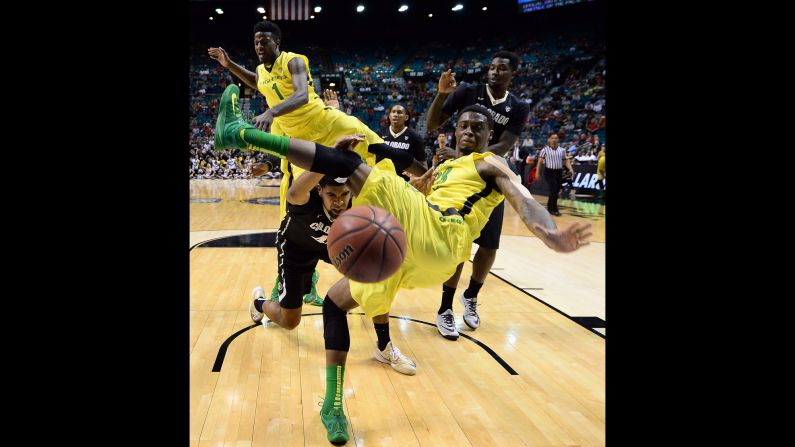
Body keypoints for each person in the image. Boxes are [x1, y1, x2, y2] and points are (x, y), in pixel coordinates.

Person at [213, 84, 591, 443]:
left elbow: (522, 197)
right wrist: (418, 189)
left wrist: (548, 234)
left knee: (354, 162)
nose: (470, 132)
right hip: (411, 255)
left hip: (443, 235)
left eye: (479, 127)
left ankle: (242, 133)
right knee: (334, 303)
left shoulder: (491, 161)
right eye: (464, 126)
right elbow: (420, 197)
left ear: (491, 133)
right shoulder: (444, 169)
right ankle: (333, 407)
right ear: (454, 131)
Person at [209, 21, 425, 305]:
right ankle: (298, 284)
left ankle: (429, 176)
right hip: (298, 138)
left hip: (325, 122)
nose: (259, 46)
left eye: (264, 41)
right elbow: (257, 81)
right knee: (298, 212)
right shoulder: (262, 71)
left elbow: (299, 95)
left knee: (376, 147)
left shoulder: (294, 61)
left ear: (277, 42)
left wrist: (272, 112)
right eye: (256, 42)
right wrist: (230, 64)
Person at [425, 51, 532, 339]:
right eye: (493, 67)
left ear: (512, 74)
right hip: (460, 175)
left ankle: (470, 296)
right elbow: (432, 124)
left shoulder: (517, 106)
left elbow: (507, 143)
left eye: (502, 69)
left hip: (487, 176)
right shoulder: (469, 91)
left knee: (489, 247)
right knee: (458, 242)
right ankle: (445, 308)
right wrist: (440, 95)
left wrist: (474, 160)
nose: (495, 72)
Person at [378, 104, 427, 181]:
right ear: (389, 116)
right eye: (393, 112)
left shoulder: (415, 137)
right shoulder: (379, 134)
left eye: (399, 112)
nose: (395, 115)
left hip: (405, 184)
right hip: (381, 180)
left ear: (406, 117)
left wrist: (419, 179)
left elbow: (423, 165)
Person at [536, 134, 574, 216]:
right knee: (554, 190)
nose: (554, 139)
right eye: (552, 138)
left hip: (558, 172)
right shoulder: (544, 150)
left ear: (558, 140)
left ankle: (550, 207)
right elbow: (539, 162)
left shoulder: (562, 150)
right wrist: (537, 173)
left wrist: (570, 169)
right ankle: (554, 209)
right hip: (549, 172)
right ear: (549, 139)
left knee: (555, 190)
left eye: (556, 138)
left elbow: (565, 161)